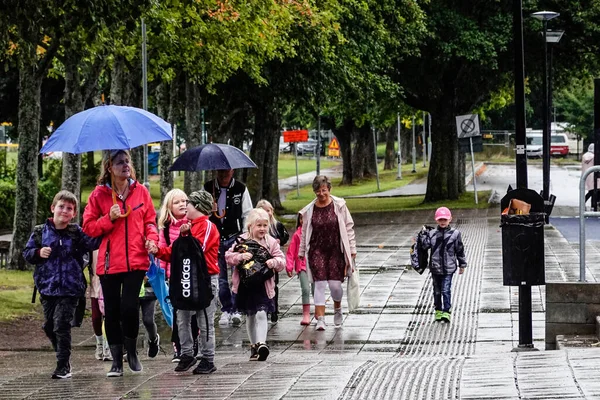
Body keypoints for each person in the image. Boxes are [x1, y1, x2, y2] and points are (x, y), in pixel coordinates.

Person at [82, 149, 158, 377]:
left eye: (127, 161)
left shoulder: (141, 191)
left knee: (129, 307)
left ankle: (132, 352)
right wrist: (109, 218)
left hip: (136, 261)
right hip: (108, 263)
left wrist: (152, 239)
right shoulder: (98, 195)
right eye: (119, 162)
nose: (125, 165)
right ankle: (116, 361)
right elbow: (88, 227)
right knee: (112, 311)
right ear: (109, 167)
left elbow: (150, 221)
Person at [23, 190, 99, 379]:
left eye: (70, 209)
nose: (64, 211)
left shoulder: (76, 233)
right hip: (47, 287)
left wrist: (105, 223)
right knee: (49, 326)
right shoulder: (40, 231)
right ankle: (62, 357)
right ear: (53, 208)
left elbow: (93, 242)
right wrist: (38, 253)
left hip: (71, 288)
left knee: (61, 325)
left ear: (74, 214)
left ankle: (63, 365)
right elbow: (27, 253)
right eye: (61, 207)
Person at [151, 190, 220, 374]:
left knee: (204, 321)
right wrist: (157, 250)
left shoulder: (207, 226)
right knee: (181, 317)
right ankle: (186, 353)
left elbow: (197, 250)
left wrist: (186, 237)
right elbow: (175, 251)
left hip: (205, 281)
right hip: (186, 279)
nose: (184, 206)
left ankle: (208, 358)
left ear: (197, 207)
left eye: (188, 203)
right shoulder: (188, 226)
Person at [225, 208, 285, 361]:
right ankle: (254, 346)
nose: (263, 229)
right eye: (259, 225)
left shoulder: (271, 242)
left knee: (261, 313)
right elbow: (228, 256)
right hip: (246, 285)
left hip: (263, 285)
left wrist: (274, 262)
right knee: (250, 316)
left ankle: (262, 344)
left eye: (265, 225)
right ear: (250, 226)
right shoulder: (241, 241)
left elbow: (282, 261)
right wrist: (240, 256)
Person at [298, 175, 356, 331]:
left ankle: (337, 308)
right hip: (317, 250)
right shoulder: (310, 210)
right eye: (318, 191)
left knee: (335, 286)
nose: (321, 194)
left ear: (329, 189)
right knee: (320, 284)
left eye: (324, 190)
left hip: (336, 250)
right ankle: (321, 319)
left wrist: (352, 250)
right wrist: (302, 251)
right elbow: (304, 232)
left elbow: (349, 228)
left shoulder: (340, 205)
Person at [204, 169, 253, 326]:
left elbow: (247, 213)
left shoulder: (240, 188)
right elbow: (202, 211)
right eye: (221, 171)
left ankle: (237, 308)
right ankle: (226, 309)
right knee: (221, 277)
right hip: (216, 238)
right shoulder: (208, 188)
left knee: (237, 276)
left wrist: (245, 236)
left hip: (235, 237)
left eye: (227, 171)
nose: (224, 175)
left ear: (232, 171)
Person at [156, 188, 198, 363]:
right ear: (169, 207)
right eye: (177, 202)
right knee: (176, 312)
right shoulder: (165, 228)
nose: (182, 204)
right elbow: (163, 251)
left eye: (184, 201)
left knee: (194, 312)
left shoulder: (194, 223)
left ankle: (194, 342)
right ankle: (178, 347)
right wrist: (164, 274)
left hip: (191, 275)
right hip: (174, 277)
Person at [418, 207, 467, 323]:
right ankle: (438, 310)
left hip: (449, 268)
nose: (443, 222)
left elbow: (459, 249)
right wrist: (423, 235)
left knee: (446, 290)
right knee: (437, 291)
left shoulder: (455, 234)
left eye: (445, 219)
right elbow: (425, 246)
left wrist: (462, 264)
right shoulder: (432, 234)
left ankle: (446, 311)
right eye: (440, 220)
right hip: (435, 268)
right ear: (436, 220)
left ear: (450, 219)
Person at [256, 199, 289, 323]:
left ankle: (273, 309)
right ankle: (262, 307)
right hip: (260, 262)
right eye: (263, 210)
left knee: (273, 285)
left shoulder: (277, 225)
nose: (266, 213)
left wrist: (279, 241)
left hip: (274, 261)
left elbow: (285, 236)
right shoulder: (256, 226)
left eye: (268, 210)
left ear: (272, 211)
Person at [286, 213, 311, 325]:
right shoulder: (297, 235)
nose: (303, 220)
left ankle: (319, 313)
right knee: (305, 289)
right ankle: (306, 314)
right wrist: (289, 266)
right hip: (302, 266)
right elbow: (291, 252)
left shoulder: (314, 233)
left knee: (317, 290)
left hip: (315, 266)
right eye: (301, 218)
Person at [89, 250, 111, 361]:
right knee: (96, 317)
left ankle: (108, 347)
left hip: (110, 281)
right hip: (95, 283)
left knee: (110, 317)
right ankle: (100, 344)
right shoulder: (93, 242)